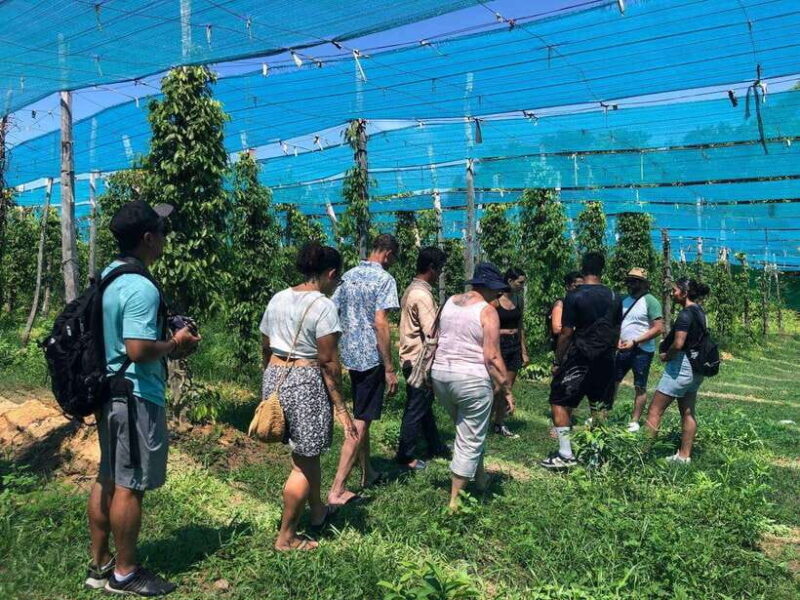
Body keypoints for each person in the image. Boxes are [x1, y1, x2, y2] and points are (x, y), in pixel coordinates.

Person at [87, 200, 201, 597]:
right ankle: (124, 572)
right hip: (134, 393)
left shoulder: (110, 275)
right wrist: (175, 342)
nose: (166, 238)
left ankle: (100, 563)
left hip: (109, 391)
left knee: (109, 476)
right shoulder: (140, 286)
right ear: (149, 239)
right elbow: (137, 348)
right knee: (129, 484)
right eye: (162, 232)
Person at [260, 243, 358, 551]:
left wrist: (271, 384)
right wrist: (340, 407)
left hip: (275, 375)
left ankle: (317, 512)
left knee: (306, 454)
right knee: (304, 462)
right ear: (330, 273)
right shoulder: (323, 305)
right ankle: (286, 537)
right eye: (337, 278)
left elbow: (265, 343)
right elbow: (329, 361)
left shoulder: (278, 298)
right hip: (305, 381)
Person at [432, 262, 515, 510]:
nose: (498, 295)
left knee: (469, 429)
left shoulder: (450, 301)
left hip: (442, 376)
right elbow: (491, 356)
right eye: (497, 291)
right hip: (470, 380)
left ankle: (480, 478)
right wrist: (506, 389)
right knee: (469, 437)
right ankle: (455, 501)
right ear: (489, 287)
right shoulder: (487, 311)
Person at [328, 234, 401, 506]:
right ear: (388, 254)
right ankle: (337, 488)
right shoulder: (385, 280)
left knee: (363, 412)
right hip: (372, 356)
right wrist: (390, 367)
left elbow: (331, 309)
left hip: (349, 353)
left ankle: (367, 472)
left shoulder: (347, 276)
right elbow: (381, 323)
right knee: (360, 420)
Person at [542, 251, 621, 470]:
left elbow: (566, 333)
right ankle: (596, 457)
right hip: (606, 358)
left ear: (583, 268)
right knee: (599, 406)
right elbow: (617, 330)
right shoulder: (615, 296)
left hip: (580, 357)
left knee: (559, 400)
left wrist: (558, 361)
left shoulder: (574, 296)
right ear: (602, 269)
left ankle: (566, 454)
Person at [395, 247, 451, 470]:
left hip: (410, 357)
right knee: (416, 407)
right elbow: (431, 333)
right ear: (431, 268)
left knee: (424, 405)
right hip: (419, 360)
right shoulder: (422, 295)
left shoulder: (412, 289)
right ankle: (405, 455)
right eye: (440, 270)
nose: (440, 275)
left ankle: (434, 445)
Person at [644, 278, 711, 463]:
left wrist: (667, 356)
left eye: (674, 290)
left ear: (684, 292)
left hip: (682, 366)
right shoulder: (700, 312)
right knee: (688, 412)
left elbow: (679, 343)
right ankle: (684, 456)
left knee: (655, 410)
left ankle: (641, 453)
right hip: (696, 367)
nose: (672, 293)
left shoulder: (685, 315)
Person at [614, 268, 664, 433]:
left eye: (634, 281)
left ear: (643, 283)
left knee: (639, 385)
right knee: (612, 381)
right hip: (622, 348)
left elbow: (658, 328)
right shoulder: (624, 300)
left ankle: (634, 421)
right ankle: (604, 412)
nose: (630, 283)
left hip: (642, 351)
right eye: (629, 280)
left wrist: (635, 342)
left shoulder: (651, 302)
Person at [490, 267, 529, 439]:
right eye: (520, 282)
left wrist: (524, 351)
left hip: (514, 346)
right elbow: (487, 326)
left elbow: (520, 327)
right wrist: (502, 333)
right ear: (509, 281)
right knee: (496, 387)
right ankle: (482, 421)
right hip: (499, 345)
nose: (522, 286)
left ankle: (499, 424)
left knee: (507, 388)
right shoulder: (495, 301)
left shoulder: (518, 300)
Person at [548, 271, 584, 349]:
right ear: (567, 287)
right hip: (564, 348)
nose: (581, 290)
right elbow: (556, 329)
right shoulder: (560, 304)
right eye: (577, 286)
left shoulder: (581, 304)